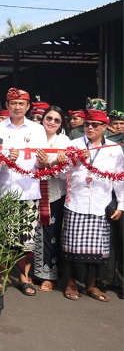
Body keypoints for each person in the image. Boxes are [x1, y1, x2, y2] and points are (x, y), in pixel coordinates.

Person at [60, 99, 123, 302]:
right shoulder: (73, 145)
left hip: (99, 203)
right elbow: (61, 175)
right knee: (71, 248)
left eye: (95, 125)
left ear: (105, 127)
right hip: (76, 201)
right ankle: (70, 284)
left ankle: (91, 286)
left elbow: (119, 178)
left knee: (97, 251)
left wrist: (121, 205)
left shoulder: (114, 149)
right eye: (87, 124)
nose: (89, 128)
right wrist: (74, 161)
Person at [0, 88, 48, 297]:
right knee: (2, 236)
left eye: (21, 104)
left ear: (28, 107)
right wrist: (7, 158)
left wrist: (42, 161)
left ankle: (24, 277)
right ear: (7, 106)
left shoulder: (37, 130)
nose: (17, 107)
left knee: (26, 238)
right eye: (13, 103)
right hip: (3, 190)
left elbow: (41, 159)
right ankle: (1, 275)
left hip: (28, 190)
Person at [33, 106, 70, 292]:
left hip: (54, 193)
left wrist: (53, 162)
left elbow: (65, 174)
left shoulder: (63, 141)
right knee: (31, 232)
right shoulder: (33, 135)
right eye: (49, 118)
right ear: (42, 119)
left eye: (57, 120)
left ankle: (48, 275)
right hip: (31, 190)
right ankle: (29, 273)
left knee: (51, 233)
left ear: (61, 124)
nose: (52, 122)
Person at [102, 109, 124, 299]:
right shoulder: (115, 143)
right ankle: (107, 280)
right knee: (110, 241)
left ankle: (122, 283)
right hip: (115, 194)